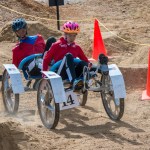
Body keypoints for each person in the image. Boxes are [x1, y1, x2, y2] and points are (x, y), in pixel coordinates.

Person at [43, 21, 90, 91]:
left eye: (74, 35)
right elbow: (46, 59)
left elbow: (85, 60)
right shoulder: (57, 45)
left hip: (72, 71)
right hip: (60, 72)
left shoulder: (76, 47)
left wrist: (90, 65)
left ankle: (90, 79)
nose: (72, 38)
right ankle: (74, 82)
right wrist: (44, 75)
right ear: (65, 34)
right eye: (70, 35)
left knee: (83, 63)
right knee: (69, 56)